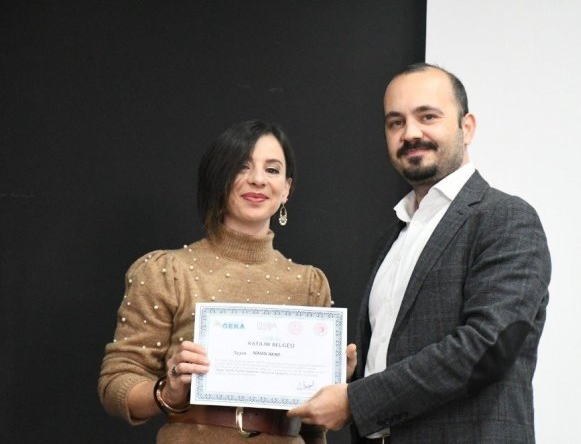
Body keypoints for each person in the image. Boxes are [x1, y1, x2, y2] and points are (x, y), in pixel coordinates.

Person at [288, 63, 552, 443]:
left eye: (427, 116)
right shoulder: (393, 237)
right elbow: (393, 359)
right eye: (395, 122)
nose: (410, 133)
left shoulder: (506, 218)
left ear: (467, 127)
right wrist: (348, 378)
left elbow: (487, 347)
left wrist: (356, 400)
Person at [99, 120, 333, 444]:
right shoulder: (168, 271)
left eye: (272, 169)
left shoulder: (309, 284)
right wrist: (168, 392)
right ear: (219, 179)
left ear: (286, 188)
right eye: (242, 166)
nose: (258, 179)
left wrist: (332, 374)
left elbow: (314, 426)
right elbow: (116, 381)